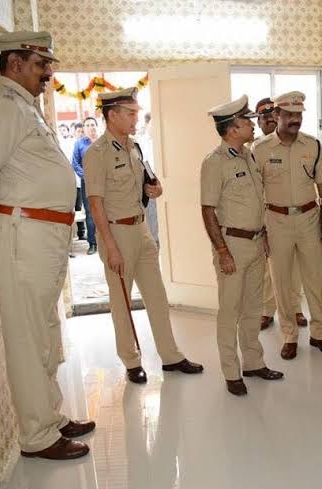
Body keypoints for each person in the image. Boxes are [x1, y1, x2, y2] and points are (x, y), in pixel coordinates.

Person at [0, 30, 94, 460]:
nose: (47, 74)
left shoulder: (24, 107)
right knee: (26, 338)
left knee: (44, 333)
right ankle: (37, 436)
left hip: (41, 235)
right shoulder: (2, 107)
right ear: (15, 64)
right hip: (21, 235)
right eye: (40, 65)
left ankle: (50, 418)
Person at [84, 87, 203, 384]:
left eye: (136, 112)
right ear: (112, 115)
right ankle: (131, 360)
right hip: (117, 233)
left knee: (157, 297)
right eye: (130, 113)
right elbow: (95, 204)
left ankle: (171, 355)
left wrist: (155, 188)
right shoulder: (97, 153)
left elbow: (146, 185)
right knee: (122, 302)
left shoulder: (135, 147)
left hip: (141, 230)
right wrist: (110, 247)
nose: (136, 118)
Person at [200, 95, 283, 396]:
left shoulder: (248, 155)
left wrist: (265, 235)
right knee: (230, 311)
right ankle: (231, 372)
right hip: (232, 246)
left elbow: (257, 201)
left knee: (252, 308)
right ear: (233, 128)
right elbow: (207, 210)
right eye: (246, 121)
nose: (252, 125)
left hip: (256, 242)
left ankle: (253, 363)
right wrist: (222, 251)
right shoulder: (214, 162)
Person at [252, 91, 322, 360]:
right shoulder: (260, 149)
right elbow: (254, 192)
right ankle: (289, 335)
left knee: (315, 279)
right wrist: (259, 228)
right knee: (280, 280)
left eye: (298, 115)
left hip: (309, 218)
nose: (295, 120)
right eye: (289, 115)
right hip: (275, 221)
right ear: (276, 115)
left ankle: (319, 333)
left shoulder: (313, 146)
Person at [254, 98, 308, 331]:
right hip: (269, 217)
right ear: (258, 122)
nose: (268, 121)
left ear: (277, 117)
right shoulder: (256, 150)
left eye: (271, 116)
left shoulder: (298, 145)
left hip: (295, 217)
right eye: (263, 117)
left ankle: (295, 308)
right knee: (269, 271)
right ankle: (267, 310)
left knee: (293, 268)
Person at [72, 117, 98, 254]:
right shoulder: (79, 144)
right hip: (86, 182)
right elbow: (75, 163)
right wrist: (85, 175)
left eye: (93, 124)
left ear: (96, 126)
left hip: (104, 181)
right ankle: (92, 243)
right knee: (90, 212)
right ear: (84, 128)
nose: (91, 127)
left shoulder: (103, 141)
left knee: (107, 210)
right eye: (87, 125)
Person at [138, 112, 159, 247]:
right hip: (148, 187)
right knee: (151, 221)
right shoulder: (140, 143)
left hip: (157, 185)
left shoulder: (159, 142)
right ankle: (154, 242)